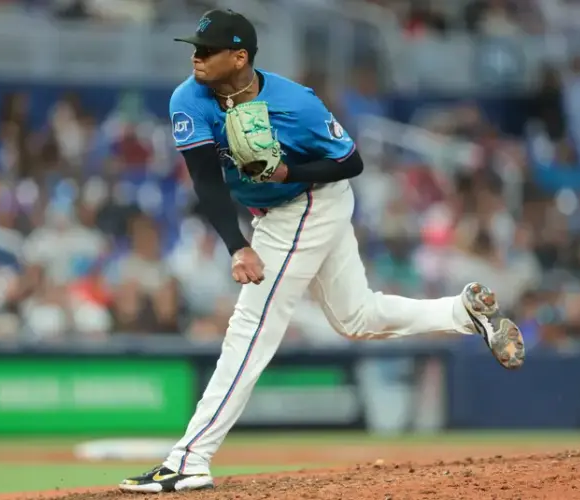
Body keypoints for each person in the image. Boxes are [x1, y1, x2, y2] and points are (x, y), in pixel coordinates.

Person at [119, 9, 526, 494]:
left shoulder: (297, 102)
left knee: (251, 327)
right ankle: (464, 313)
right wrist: (236, 245)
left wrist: (291, 175)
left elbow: (350, 161)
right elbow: (206, 180)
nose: (196, 57)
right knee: (356, 318)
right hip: (267, 214)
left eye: (207, 50)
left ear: (240, 56)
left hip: (308, 202)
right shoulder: (189, 97)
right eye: (195, 47)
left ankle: (190, 458)